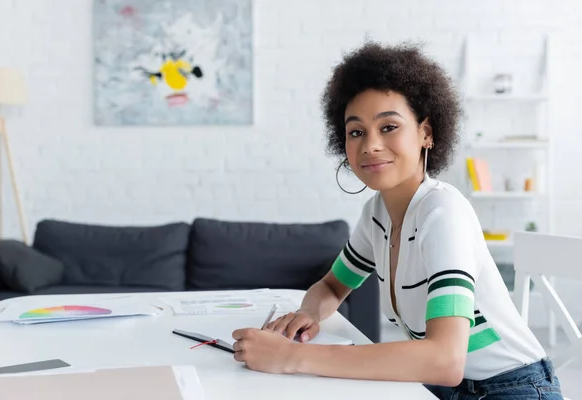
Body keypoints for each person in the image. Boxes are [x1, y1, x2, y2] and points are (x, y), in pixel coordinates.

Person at [231, 41, 563, 399]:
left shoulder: (441, 214)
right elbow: (331, 287)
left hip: (512, 388)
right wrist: (308, 313)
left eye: (388, 127)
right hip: (445, 387)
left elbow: (444, 359)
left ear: (426, 133)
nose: (370, 145)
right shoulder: (377, 213)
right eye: (356, 132)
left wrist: (294, 357)